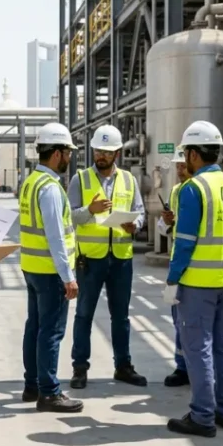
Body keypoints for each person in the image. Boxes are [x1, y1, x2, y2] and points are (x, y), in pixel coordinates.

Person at [164, 120, 223, 438]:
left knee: (198, 348)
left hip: (199, 281)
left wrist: (173, 279)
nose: (185, 159)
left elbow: (184, 241)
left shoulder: (192, 189)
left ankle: (202, 416)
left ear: (196, 154)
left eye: (186, 153)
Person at [67, 124, 147, 389]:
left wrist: (135, 225)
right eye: (98, 151)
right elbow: (70, 217)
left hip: (121, 258)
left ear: (117, 153)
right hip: (90, 258)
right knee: (84, 314)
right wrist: (90, 209)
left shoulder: (129, 180)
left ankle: (123, 366)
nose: (101, 156)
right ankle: (80, 368)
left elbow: (140, 212)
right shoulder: (80, 179)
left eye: (107, 152)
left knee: (121, 316)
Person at [19, 122, 83, 413]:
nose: (69, 157)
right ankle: (50, 392)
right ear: (57, 153)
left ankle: (32, 385)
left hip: (32, 268)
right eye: (67, 151)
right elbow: (56, 236)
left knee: (35, 327)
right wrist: (68, 277)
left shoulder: (31, 182)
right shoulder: (51, 189)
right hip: (50, 272)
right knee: (51, 332)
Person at [157, 148, 192, 388]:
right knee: (178, 320)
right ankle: (182, 367)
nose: (179, 170)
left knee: (195, 323)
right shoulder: (177, 192)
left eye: (183, 165)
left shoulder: (201, 190)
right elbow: (163, 228)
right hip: (177, 264)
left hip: (197, 268)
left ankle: (196, 368)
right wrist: (166, 222)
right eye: (177, 166)